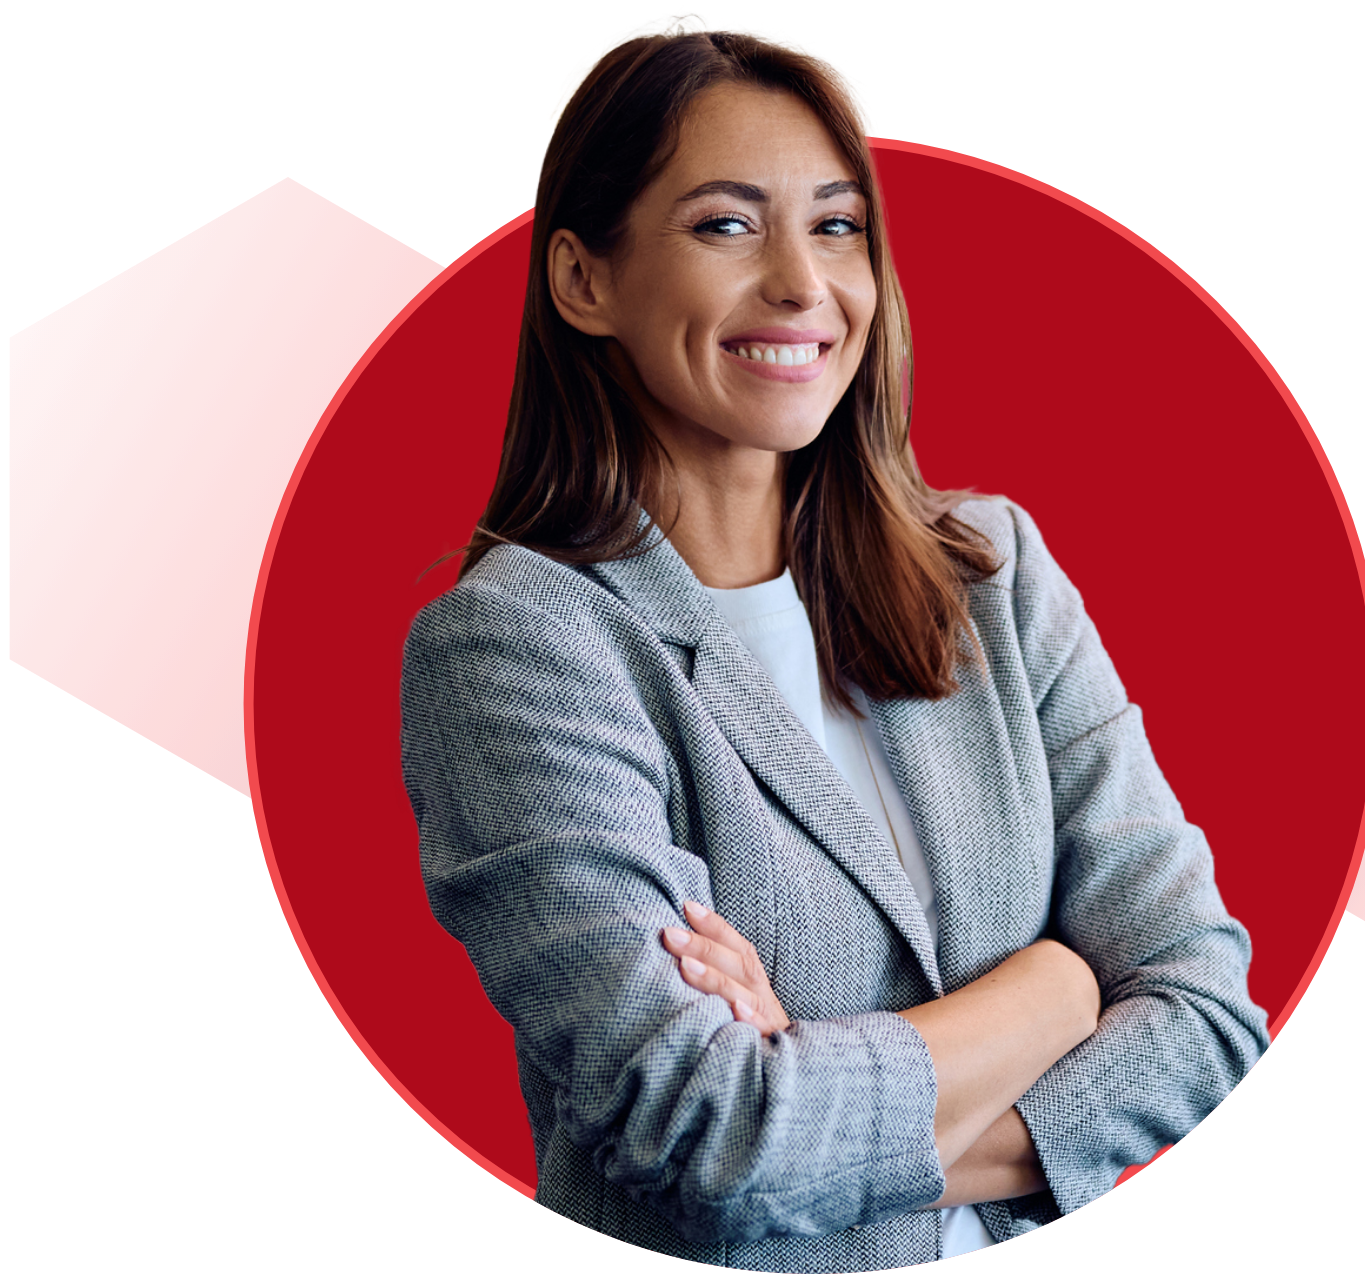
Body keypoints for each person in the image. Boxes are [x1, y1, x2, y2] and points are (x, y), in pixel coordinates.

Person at [399, 16, 1269, 1271]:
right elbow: (711, 1143)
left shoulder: (993, 571)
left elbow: (1199, 1001)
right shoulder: (521, 646)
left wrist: (811, 1109)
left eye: (837, 224)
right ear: (584, 279)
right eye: (726, 224)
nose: (805, 285)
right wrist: (1059, 990)